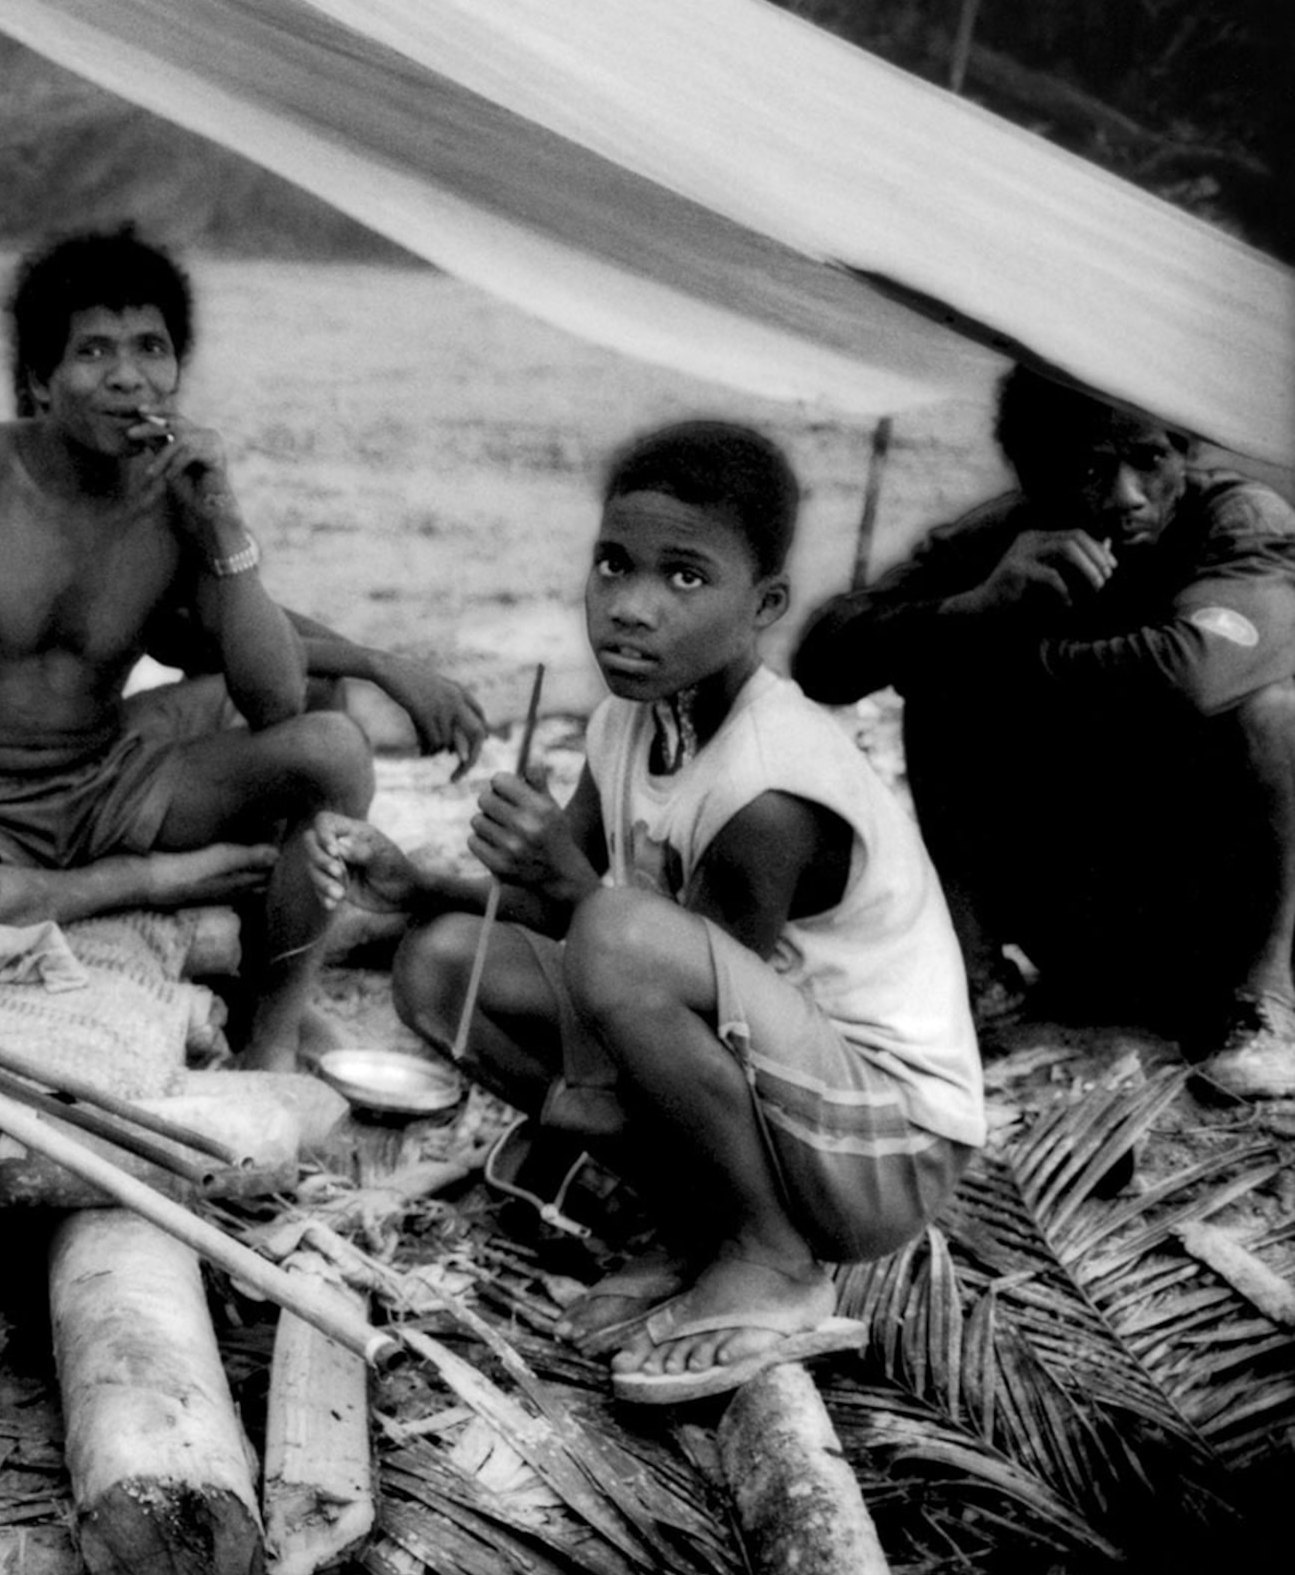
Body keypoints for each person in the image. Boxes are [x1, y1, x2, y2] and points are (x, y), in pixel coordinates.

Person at [314, 423, 983, 1404]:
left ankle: (774, 1260)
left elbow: (650, 968)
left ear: (763, 607)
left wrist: (572, 890)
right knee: (443, 961)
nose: (629, 606)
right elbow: (562, 910)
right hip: (774, 1096)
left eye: (684, 577)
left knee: (617, 938)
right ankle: (693, 1224)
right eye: (613, 564)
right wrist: (423, 885)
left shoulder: (768, 792)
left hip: (881, 1151)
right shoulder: (627, 718)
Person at [0, 227, 380, 1066]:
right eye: (93, 351)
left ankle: (272, 1036)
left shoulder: (177, 498)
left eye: (151, 347)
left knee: (334, 749)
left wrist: (224, 522)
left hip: (107, 780)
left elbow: (275, 699)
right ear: (39, 379)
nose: (128, 377)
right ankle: (135, 887)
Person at [793, 368, 1295, 1098]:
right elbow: (822, 659)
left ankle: (1267, 1005)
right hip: (1082, 916)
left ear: (1183, 451)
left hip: (1218, 913)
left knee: (1272, 711)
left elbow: (1194, 673)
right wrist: (974, 607)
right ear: (1038, 475)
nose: (1127, 495)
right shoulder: (1010, 534)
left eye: (1150, 459)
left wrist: (1004, 653)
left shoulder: (1238, 520)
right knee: (943, 659)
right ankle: (979, 976)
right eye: (1091, 470)